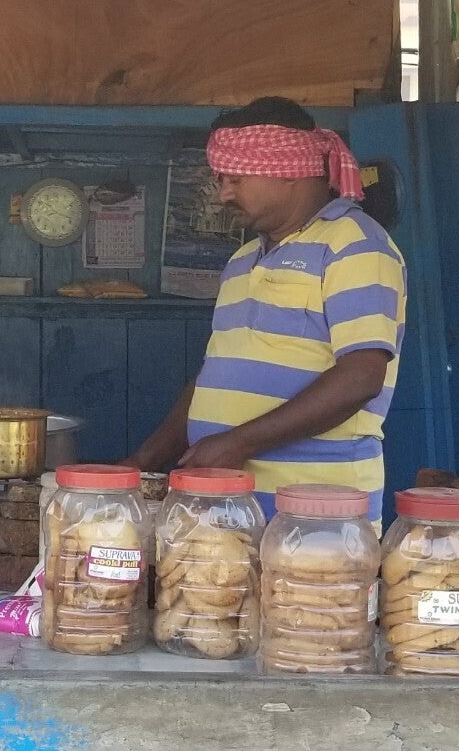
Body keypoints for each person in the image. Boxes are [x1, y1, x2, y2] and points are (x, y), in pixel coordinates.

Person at [126, 97, 407, 517]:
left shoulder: (355, 245)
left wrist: (240, 442)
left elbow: (361, 377)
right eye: (221, 179)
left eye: (235, 179)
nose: (224, 194)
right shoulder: (241, 262)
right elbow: (214, 378)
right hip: (229, 508)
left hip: (316, 518)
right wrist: (139, 463)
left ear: (288, 169)